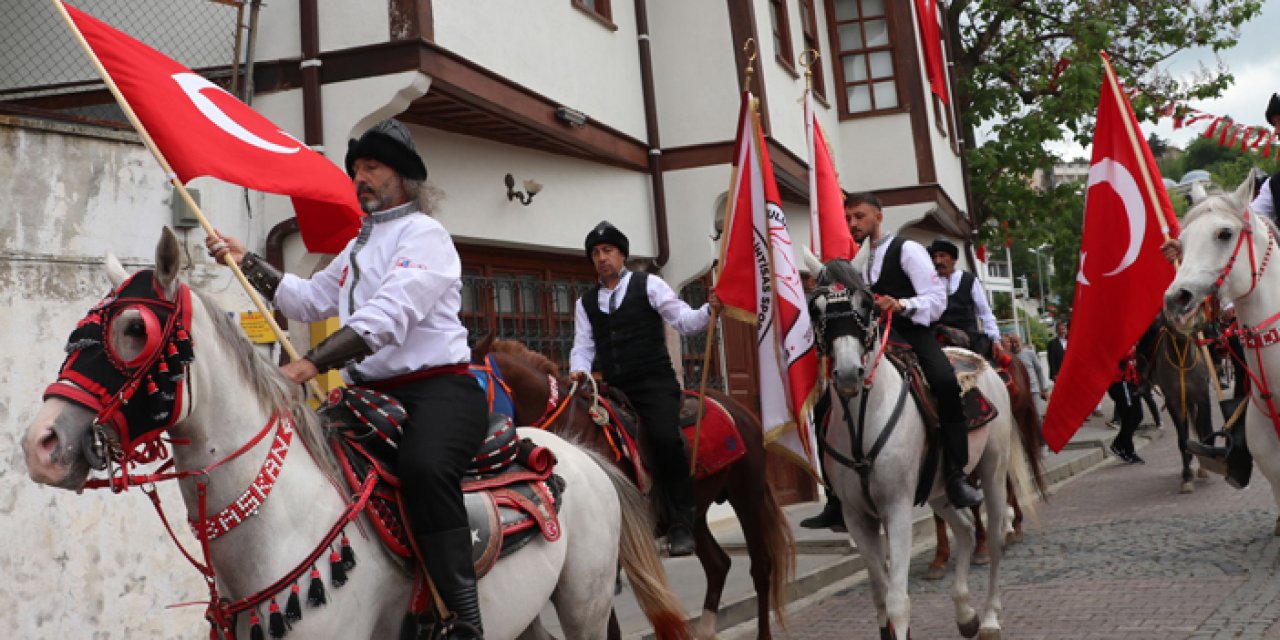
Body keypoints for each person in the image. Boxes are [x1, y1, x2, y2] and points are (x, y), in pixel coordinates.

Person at [206, 119, 486, 638]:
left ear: (401, 177)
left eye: (372, 168)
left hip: (439, 391)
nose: (360, 178)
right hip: (369, 397)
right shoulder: (360, 246)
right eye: (355, 169)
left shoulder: (426, 236)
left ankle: (464, 618)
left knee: (425, 469)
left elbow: (387, 315)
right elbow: (307, 298)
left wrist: (311, 363)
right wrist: (247, 263)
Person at [568, 221, 721, 557]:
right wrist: (578, 371)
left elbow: (684, 320)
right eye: (595, 253)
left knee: (666, 440)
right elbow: (583, 346)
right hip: (613, 388)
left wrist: (711, 310)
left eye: (607, 251)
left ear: (622, 254)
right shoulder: (587, 302)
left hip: (654, 383)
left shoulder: (649, 284)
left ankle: (682, 522)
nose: (602, 258)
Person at [845, 192, 982, 507]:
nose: (853, 223)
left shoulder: (907, 249)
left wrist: (903, 304)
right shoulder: (860, 263)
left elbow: (937, 300)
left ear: (879, 216)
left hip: (913, 333)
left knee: (945, 383)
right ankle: (837, 493)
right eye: (849, 218)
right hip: (878, 338)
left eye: (859, 216)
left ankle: (956, 474)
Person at [928, 238, 1002, 360]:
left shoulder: (969, 280)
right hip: (938, 338)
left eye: (942, 256)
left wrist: (995, 338)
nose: (938, 261)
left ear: (953, 259)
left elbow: (985, 313)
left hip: (968, 339)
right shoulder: (930, 282)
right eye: (935, 257)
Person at [1108, 349, 1145, 464]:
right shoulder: (1119, 343)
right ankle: (1129, 451)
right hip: (1120, 383)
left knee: (1138, 416)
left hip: (1131, 383)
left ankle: (1119, 444)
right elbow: (1122, 355)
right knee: (1129, 418)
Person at [1007, 334, 1048, 416]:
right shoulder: (1009, 357)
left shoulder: (1030, 353)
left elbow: (1039, 370)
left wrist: (1044, 389)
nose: (1014, 345)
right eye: (1012, 342)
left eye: (1016, 342)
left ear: (1021, 341)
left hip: (1034, 390)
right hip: (1020, 393)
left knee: (1037, 415)